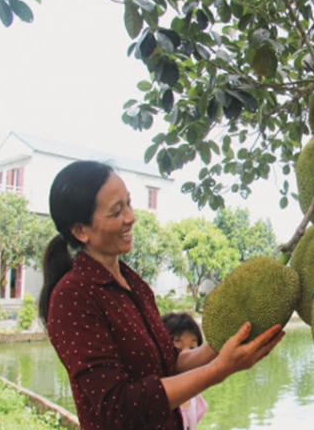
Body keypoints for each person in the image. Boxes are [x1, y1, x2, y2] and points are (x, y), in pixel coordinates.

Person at [38, 160, 285, 430]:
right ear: (80, 231)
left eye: (128, 204)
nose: (130, 217)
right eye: (116, 212)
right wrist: (219, 370)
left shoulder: (135, 284)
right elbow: (116, 406)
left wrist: (227, 343)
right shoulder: (72, 297)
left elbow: (170, 363)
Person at [161, 312, 207, 430]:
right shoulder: (156, 394)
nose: (187, 353)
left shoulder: (195, 397)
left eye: (192, 348)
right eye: (178, 347)